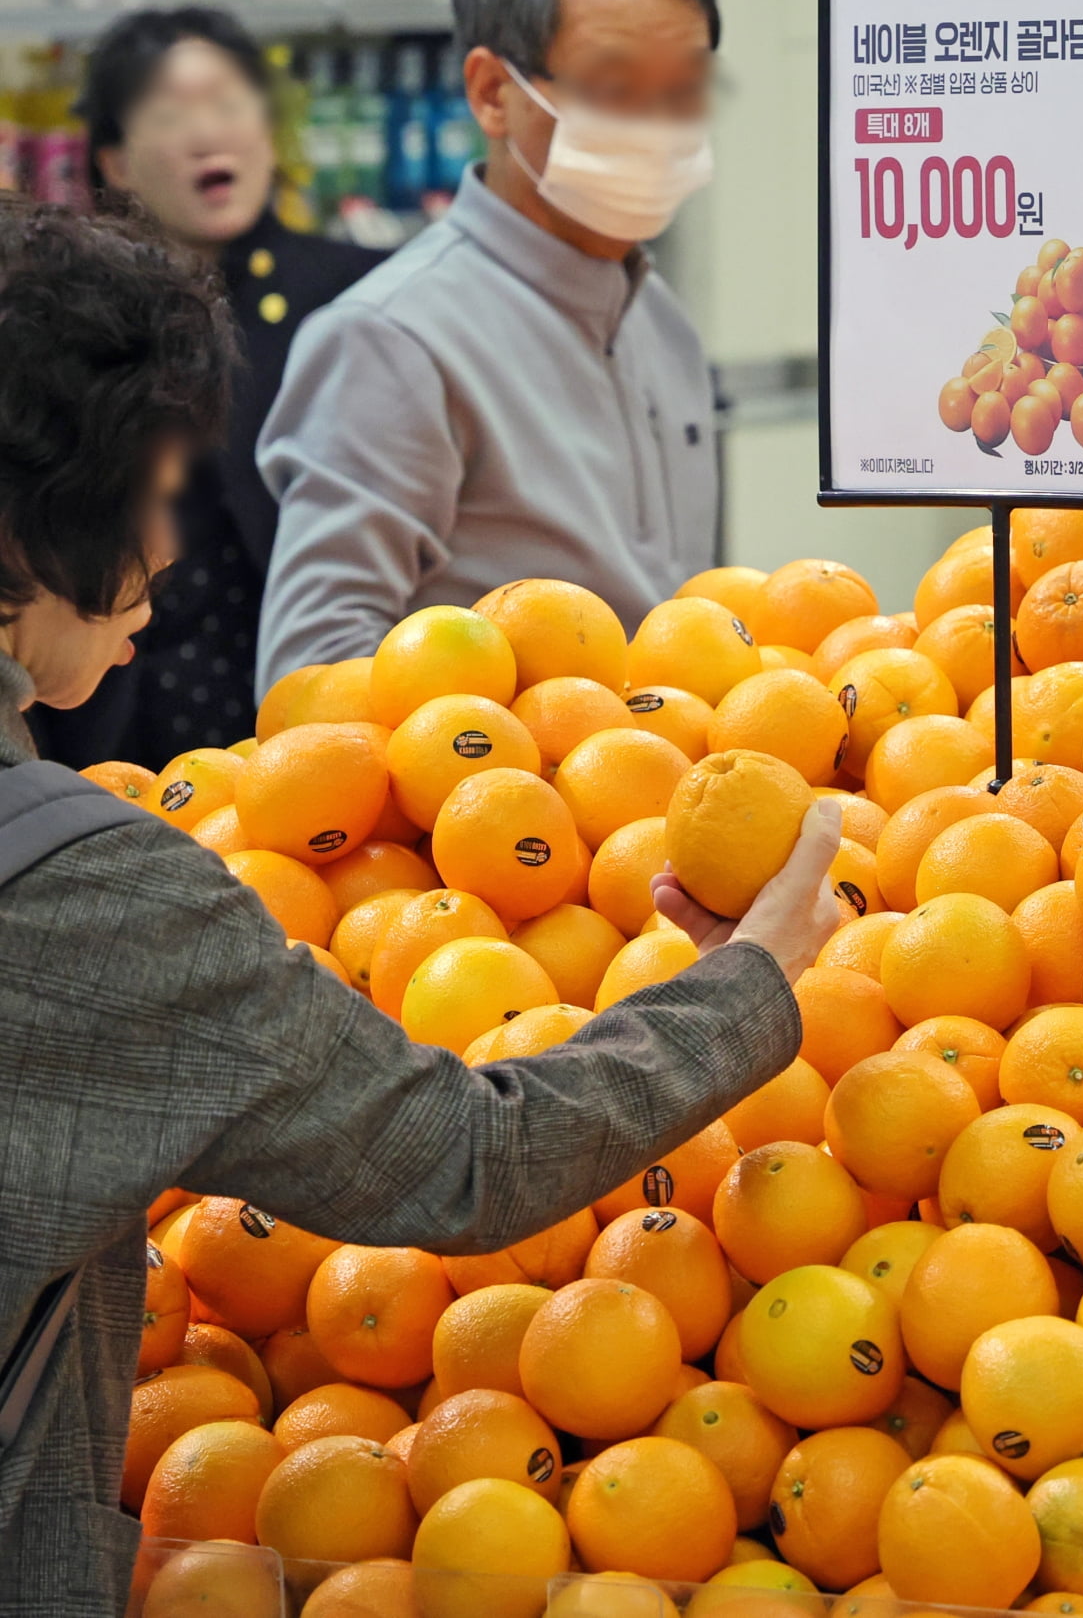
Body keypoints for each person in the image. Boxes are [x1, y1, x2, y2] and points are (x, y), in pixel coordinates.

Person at [0, 202, 841, 1615]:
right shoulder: (84, 897)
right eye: (143, 497)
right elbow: (459, 1160)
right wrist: (753, 976)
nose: (168, 546)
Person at [256, 0, 721, 697]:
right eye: (614, 90)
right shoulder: (392, 341)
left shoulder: (661, 319)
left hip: (668, 801)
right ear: (492, 93)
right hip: (495, 809)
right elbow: (309, 679)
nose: (656, 126)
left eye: (683, 93)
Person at [27, 7, 387, 772]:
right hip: (106, 714)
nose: (207, 133)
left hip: (299, 709)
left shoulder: (361, 296)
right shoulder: (65, 314)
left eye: (228, 104)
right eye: (171, 112)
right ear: (117, 159)